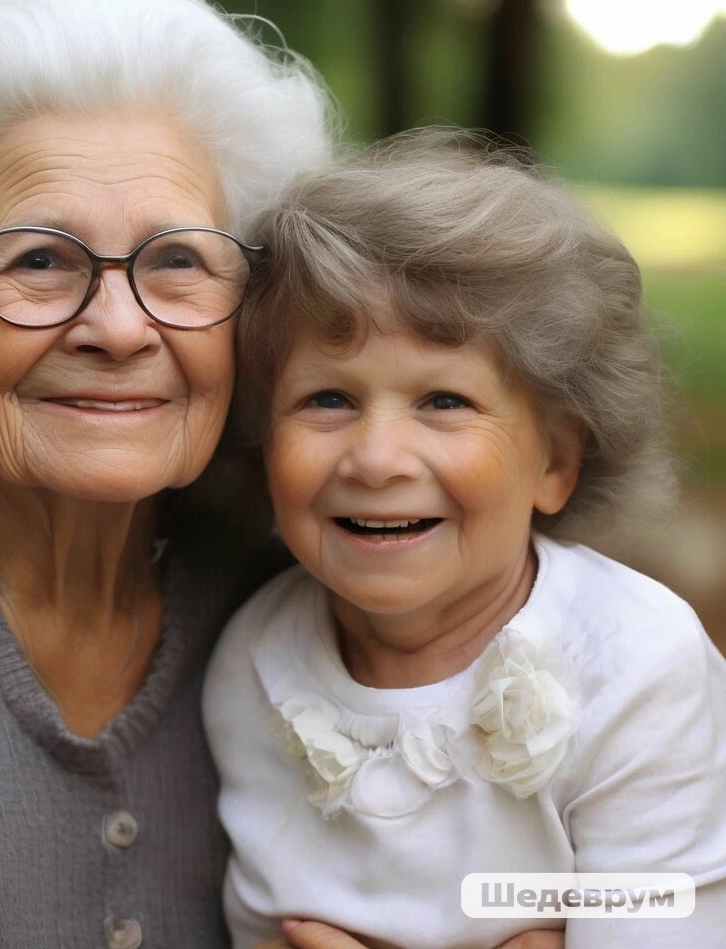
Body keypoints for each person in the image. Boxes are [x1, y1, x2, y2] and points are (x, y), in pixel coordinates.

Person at [0, 0, 564, 949]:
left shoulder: (292, 566)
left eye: (179, 261)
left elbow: (637, 870)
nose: (116, 327)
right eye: (37, 260)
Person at [203, 127, 726, 948]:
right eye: (327, 399)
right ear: (262, 444)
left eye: (444, 400)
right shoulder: (256, 659)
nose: (376, 458)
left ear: (555, 459)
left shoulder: (635, 667)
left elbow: (666, 916)